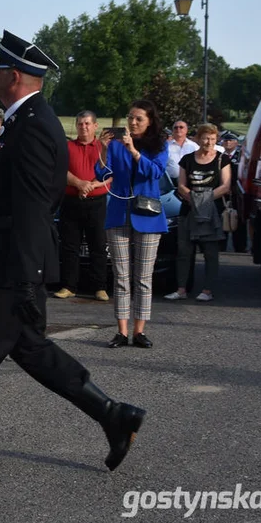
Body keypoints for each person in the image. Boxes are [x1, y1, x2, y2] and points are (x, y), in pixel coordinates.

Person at [0, 30, 144, 478]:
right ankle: (113, 415)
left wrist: (26, 273)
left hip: (12, 260)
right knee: (31, 349)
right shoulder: (23, 121)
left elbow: (36, 205)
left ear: (13, 76)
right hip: (7, 255)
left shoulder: (34, 125)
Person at [97, 100, 168, 349]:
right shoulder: (116, 145)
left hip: (147, 216)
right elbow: (101, 174)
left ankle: (139, 331)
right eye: (130, 117)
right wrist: (105, 150)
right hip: (118, 213)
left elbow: (155, 173)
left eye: (139, 118)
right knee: (120, 276)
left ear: (150, 121)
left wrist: (134, 151)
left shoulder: (160, 145)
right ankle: (121, 331)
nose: (133, 122)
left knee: (143, 277)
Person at [164, 124, 230, 303]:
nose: (209, 142)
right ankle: (181, 289)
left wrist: (204, 199)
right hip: (188, 210)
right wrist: (192, 198)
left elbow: (225, 186)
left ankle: (207, 290)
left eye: (213, 139)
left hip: (212, 213)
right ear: (198, 139)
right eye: (205, 138)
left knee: (210, 253)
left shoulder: (222, 159)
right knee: (184, 251)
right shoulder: (187, 159)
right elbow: (182, 185)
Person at [53, 111, 111, 301]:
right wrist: (79, 183)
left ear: (95, 126)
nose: (83, 127)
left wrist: (92, 185)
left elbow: (110, 172)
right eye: (80, 124)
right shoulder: (67, 146)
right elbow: (61, 170)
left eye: (87, 124)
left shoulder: (104, 147)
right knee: (70, 246)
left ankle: (100, 287)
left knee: (98, 245)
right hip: (71, 201)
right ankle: (69, 285)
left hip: (97, 202)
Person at [219, 130, 247, 252]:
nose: (228, 142)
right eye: (225, 140)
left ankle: (240, 247)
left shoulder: (241, 157)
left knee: (239, 220)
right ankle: (221, 247)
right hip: (222, 194)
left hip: (237, 194)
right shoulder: (219, 157)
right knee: (222, 219)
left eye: (231, 140)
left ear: (236, 143)